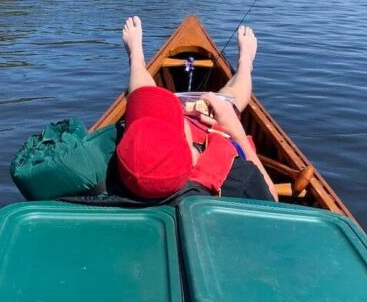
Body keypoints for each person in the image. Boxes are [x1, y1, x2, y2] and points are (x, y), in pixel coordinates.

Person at [115, 15, 278, 202]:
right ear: (188, 152)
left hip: (155, 149)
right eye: (177, 123)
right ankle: (245, 64)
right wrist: (236, 132)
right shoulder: (234, 177)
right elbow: (271, 199)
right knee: (231, 100)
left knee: (144, 93)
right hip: (209, 127)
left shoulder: (125, 173)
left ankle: (136, 56)